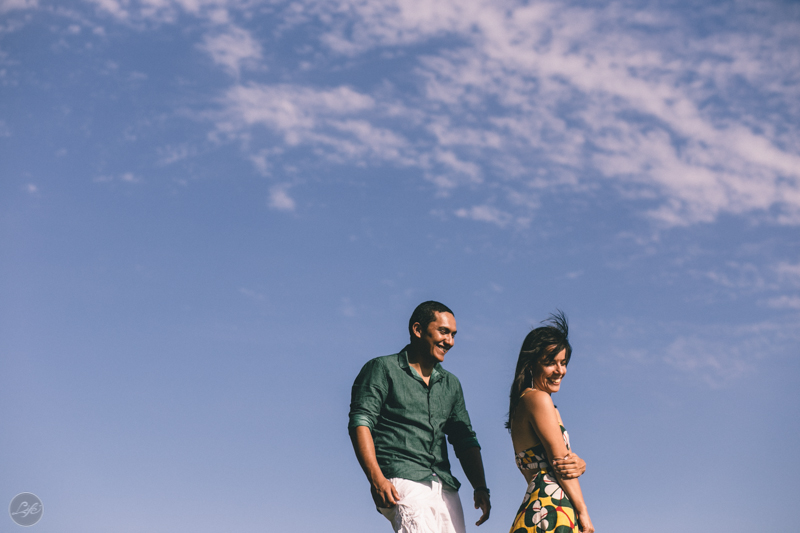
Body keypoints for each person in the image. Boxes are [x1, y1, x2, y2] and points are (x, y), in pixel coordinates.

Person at [349, 301, 491, 533]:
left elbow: (465, 439)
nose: (450, 341)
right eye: (443, 331)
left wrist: (481, 487)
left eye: (454, 335)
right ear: (417, 330)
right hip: (402, 478)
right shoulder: (382, 369)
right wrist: (376, 478)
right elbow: (361, 422)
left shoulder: (451, 384)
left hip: (444, 485)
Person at [506, 312, 594, 533]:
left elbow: (560, 460)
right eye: (550, 363)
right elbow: (560, 461)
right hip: (554, 509)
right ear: (531, 364)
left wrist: (580, 463)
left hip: (534, 509)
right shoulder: (539, 399)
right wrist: (584, 511)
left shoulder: (524, 403)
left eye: (563, 363)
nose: (560, 371)